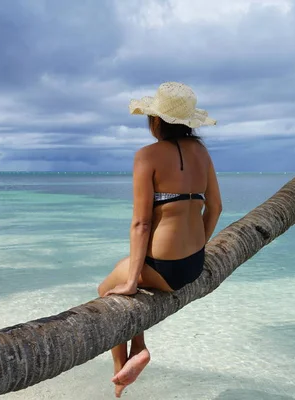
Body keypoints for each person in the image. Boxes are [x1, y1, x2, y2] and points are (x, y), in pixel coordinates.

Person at [97, 82, 223, 397]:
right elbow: (216, 207)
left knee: (105, 289)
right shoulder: (202, 152)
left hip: (163, 270)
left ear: (156, 121)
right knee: (125, 267)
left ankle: (124, 364)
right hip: (193, 265)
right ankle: (138, 346)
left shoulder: (147, 156)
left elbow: (141, 223)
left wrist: (131, 283)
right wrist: (198, 248)